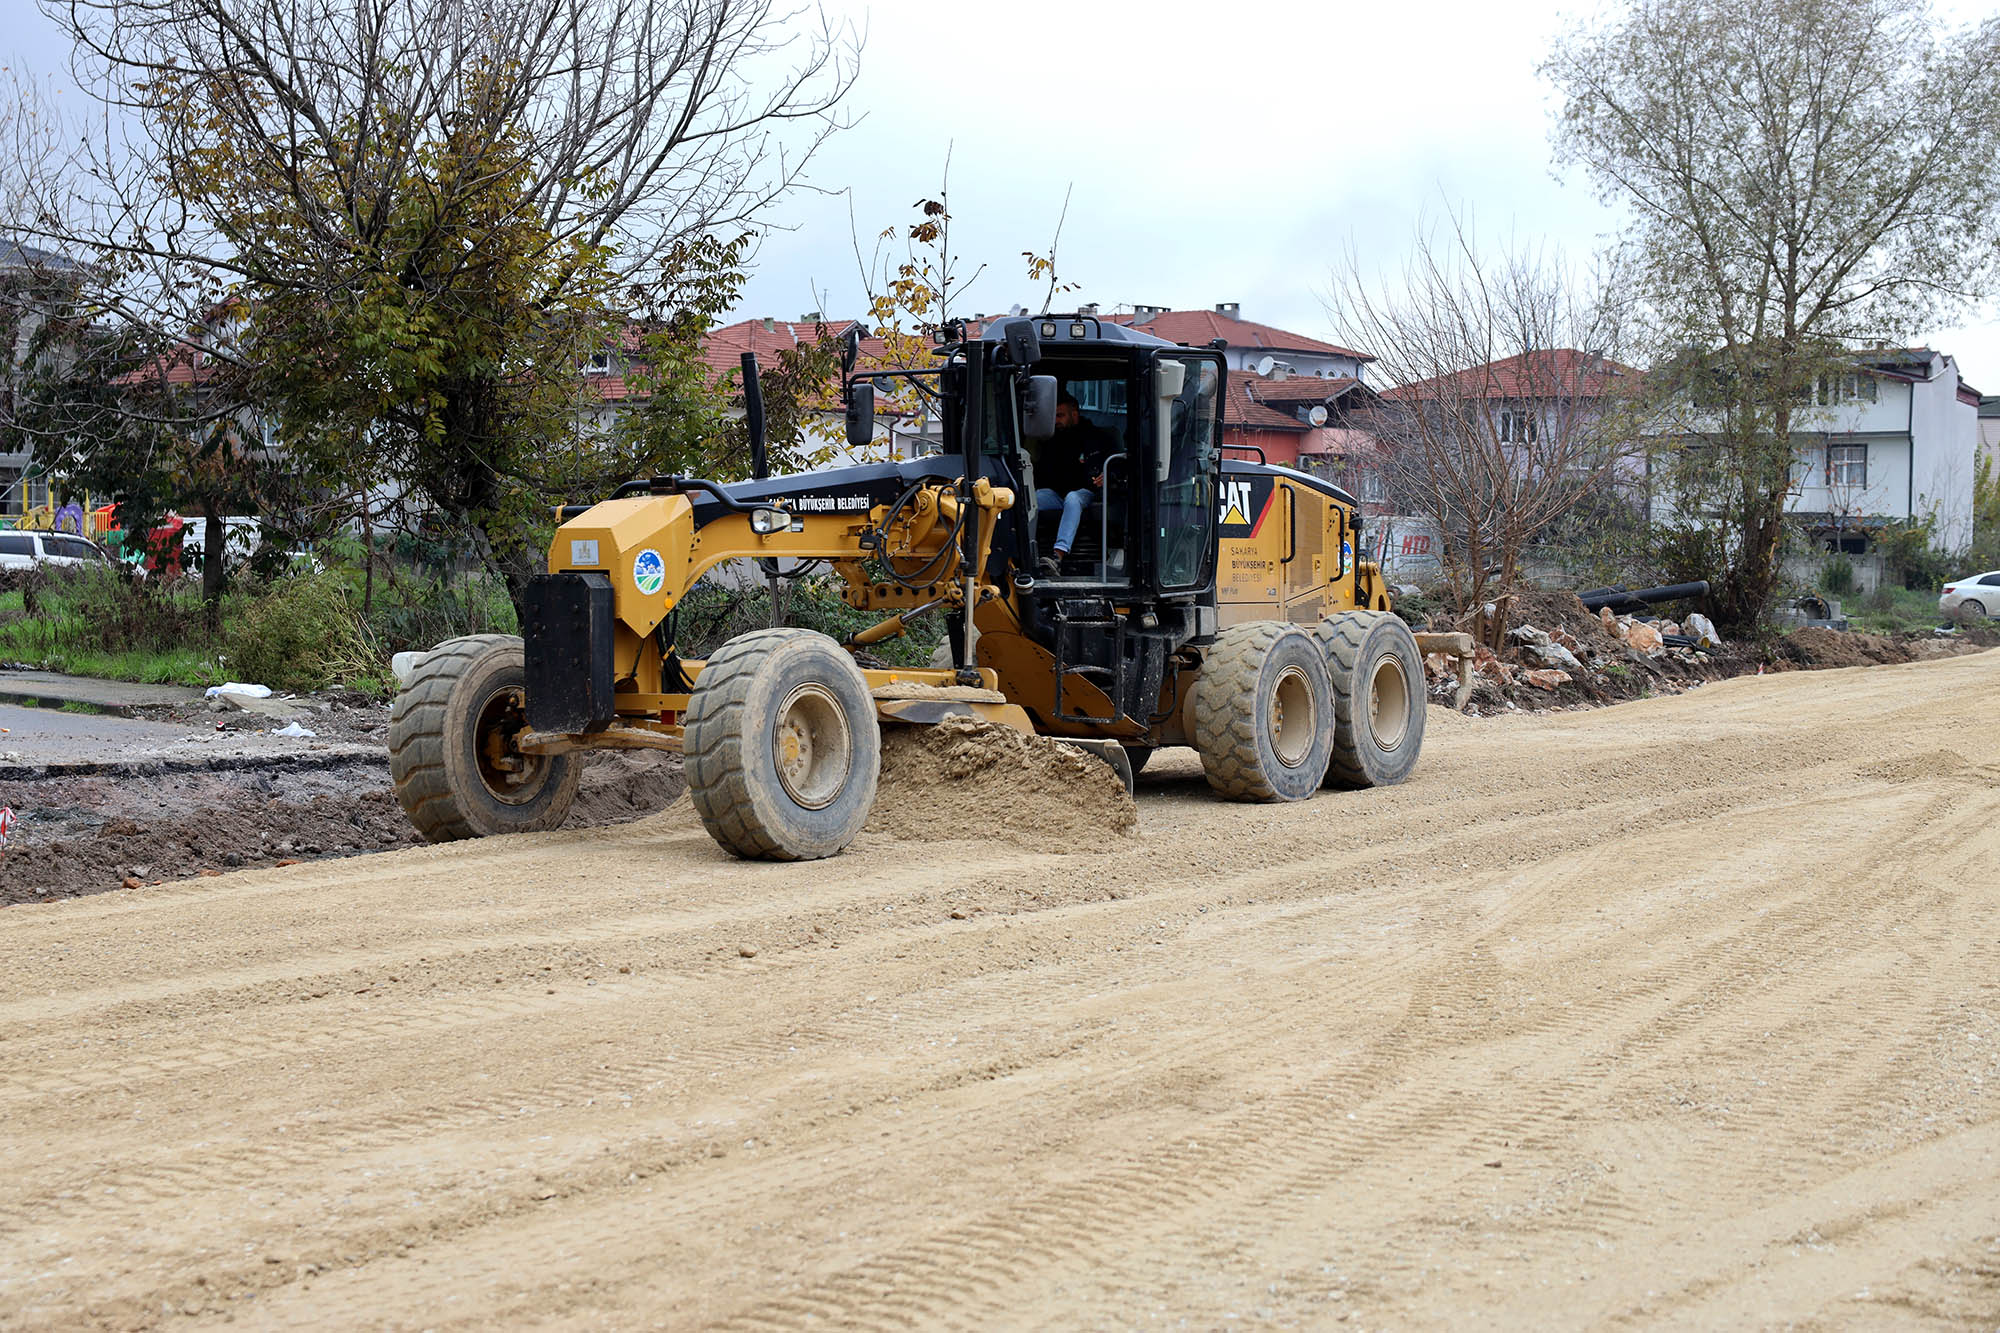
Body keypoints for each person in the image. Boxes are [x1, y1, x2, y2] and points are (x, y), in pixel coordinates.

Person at [1034, 391, 1118, 577]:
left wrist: (1108, 475)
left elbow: (1117, 464)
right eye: (1053, 416)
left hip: (1086, 492)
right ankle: (1024, 551)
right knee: (1033, 499)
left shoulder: (1097, 438)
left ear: (1074, 414)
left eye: (1060, 415)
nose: (1056, 420)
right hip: (1058, 494)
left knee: (1073, 499)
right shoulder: (1052, 440)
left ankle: (1057, 555)